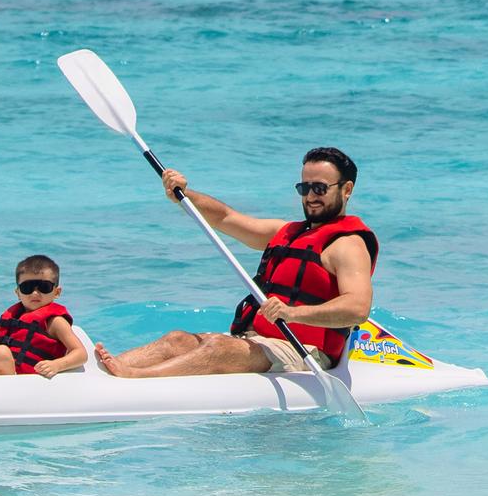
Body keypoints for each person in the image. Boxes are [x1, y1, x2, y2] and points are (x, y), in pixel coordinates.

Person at [97, 147, 375, 378]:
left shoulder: (348, 245)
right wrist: (185, 195)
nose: (311, 196)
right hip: (258, 341)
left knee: (218, 348)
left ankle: (134, 378)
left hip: (305, 350)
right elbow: (225, 218)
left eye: (320, 188)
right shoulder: (286, 233)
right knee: (176, 340)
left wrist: (292, 314)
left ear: (347, 189)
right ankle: (100, 371)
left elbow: (357, 308)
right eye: (304, 187)